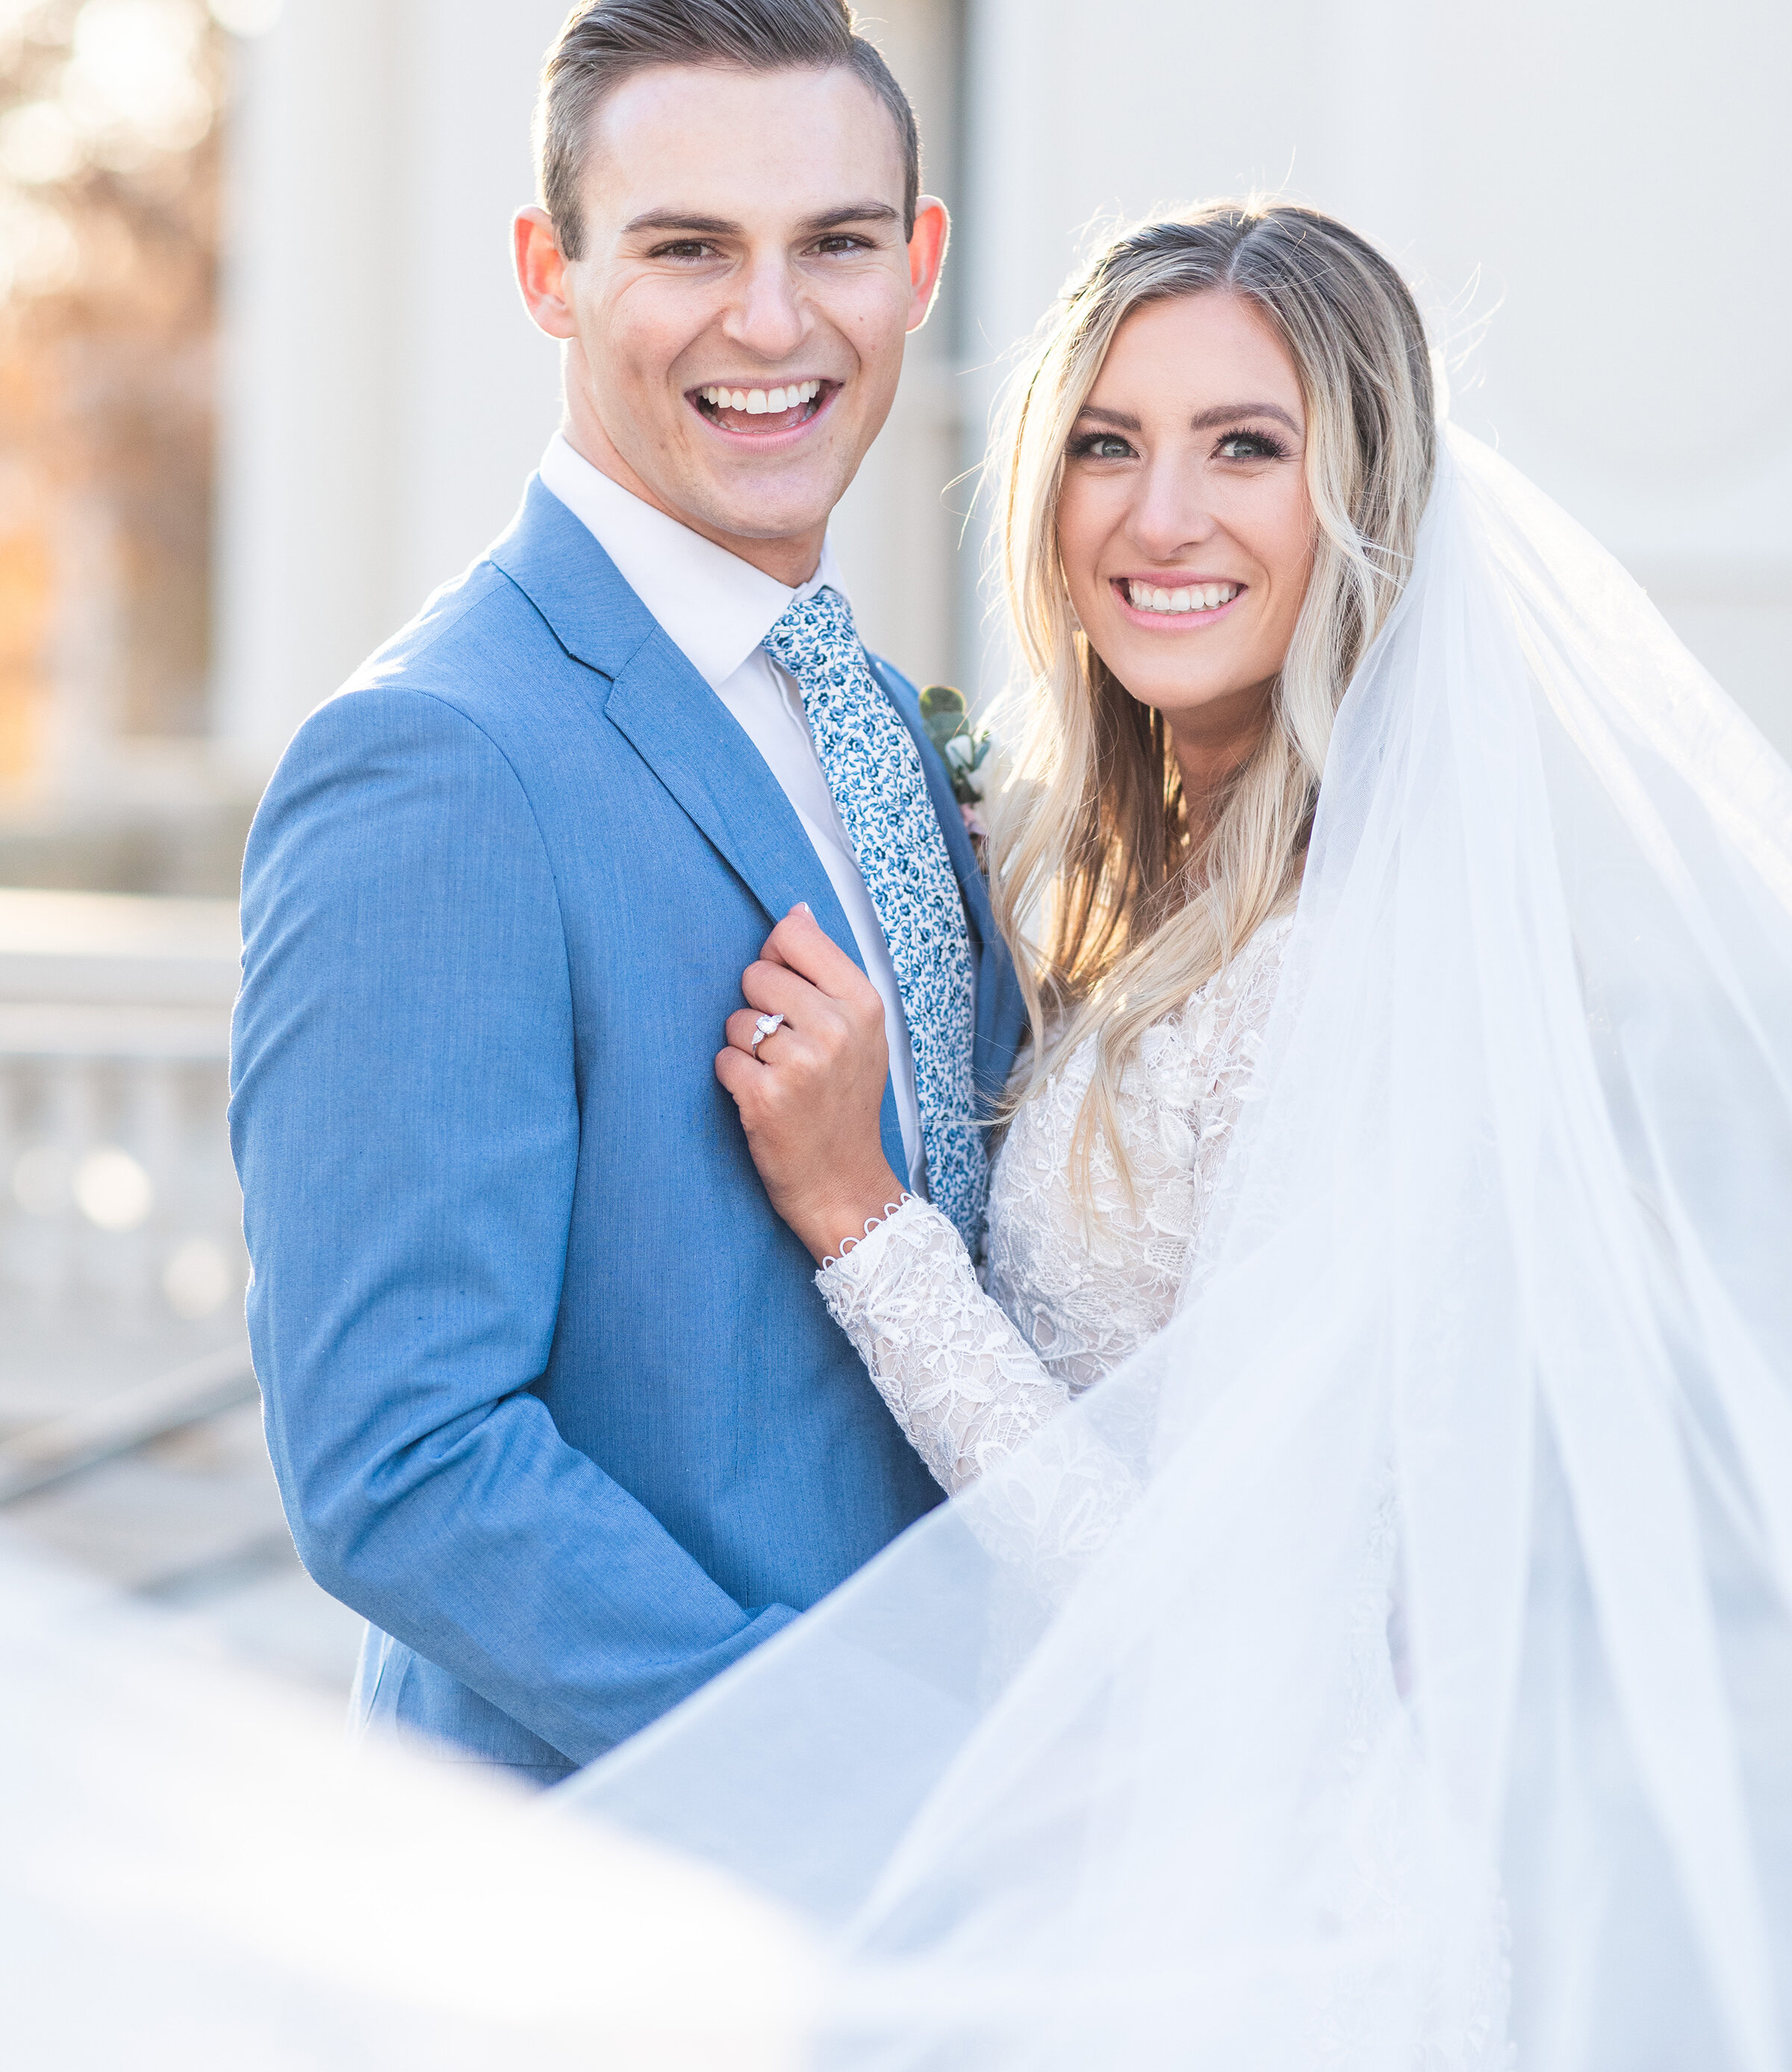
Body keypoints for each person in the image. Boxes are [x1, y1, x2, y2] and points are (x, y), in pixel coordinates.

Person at [571, 201, 1792, 2071]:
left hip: (1247, 1921)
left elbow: (1203, 1606)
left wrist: (859, 1216)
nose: (1160, 518)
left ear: (1366, 501)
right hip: (1091, 1849)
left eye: (1248, 448)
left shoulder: (1358, 972)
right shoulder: (1121, 888)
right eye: (1107, 446)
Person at [229, 0, 1025, 1786]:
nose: (772, 321)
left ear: (919, 266)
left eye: (834, 244)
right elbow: (403, 1465)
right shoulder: (436, 758)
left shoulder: (877, 715)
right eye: (685, 250)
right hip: (633, 1906)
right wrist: (839, 1780)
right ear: (550, 275)